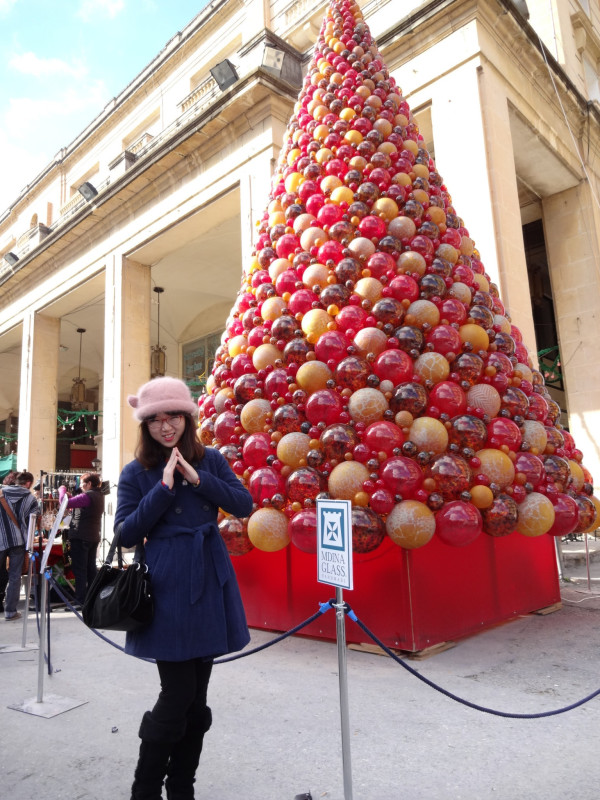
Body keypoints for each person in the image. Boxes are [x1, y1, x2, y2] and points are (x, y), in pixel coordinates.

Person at [115, 376, 252, 800]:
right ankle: (145, 788)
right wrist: (164, 488)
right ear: (145, 426)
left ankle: (182, 787)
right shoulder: (136, 472)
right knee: (177, 693)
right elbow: (124, 533)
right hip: (165, 584)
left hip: (209, 578)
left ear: (187, 417)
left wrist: (198, 478)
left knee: (198, 698)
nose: (165, 426)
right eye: (154, 419)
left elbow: (243, 504)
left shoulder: (210, 459)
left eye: (173, 415)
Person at [59, 473, 104, 608]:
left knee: (80, 570)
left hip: (81, 537)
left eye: (82, 483)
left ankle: (80, 600)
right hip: (92, 536)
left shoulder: (88, 496)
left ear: (89, 484)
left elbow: (64, 503)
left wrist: (62, 490)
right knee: (90, 569)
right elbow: (78, 503)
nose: (80, 486)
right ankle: (92, 598)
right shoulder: (99, 495)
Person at [0, 471, 38, 620]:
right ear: (28, 483)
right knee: (15, 576)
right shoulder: (31, 499)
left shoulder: (2, 493)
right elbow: (33, 522)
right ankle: (10, 612)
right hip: (19, 541)